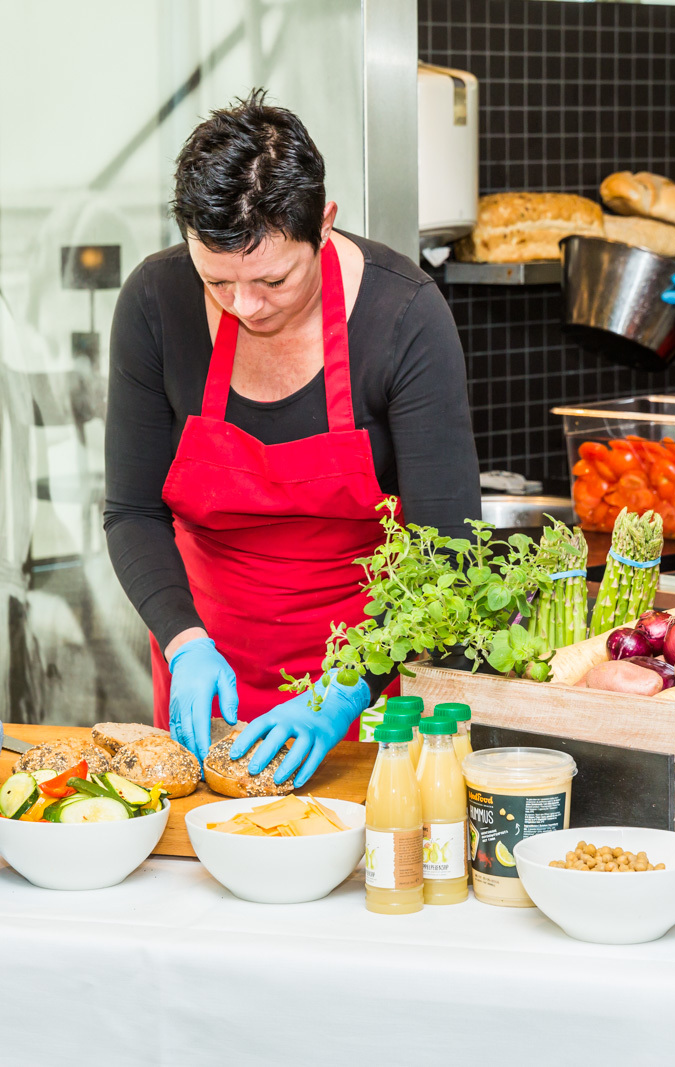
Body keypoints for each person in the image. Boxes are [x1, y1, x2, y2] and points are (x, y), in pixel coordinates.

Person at [104, 91, 480, 787]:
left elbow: (446, 552)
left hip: (370, 691)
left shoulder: (405, 317)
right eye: (218, 280)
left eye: (273, 279)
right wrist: (183, 640)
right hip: (208, 668)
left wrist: (343, 690)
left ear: (324, 224)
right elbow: (132, 512)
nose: (244, 306)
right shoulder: (156, 303)